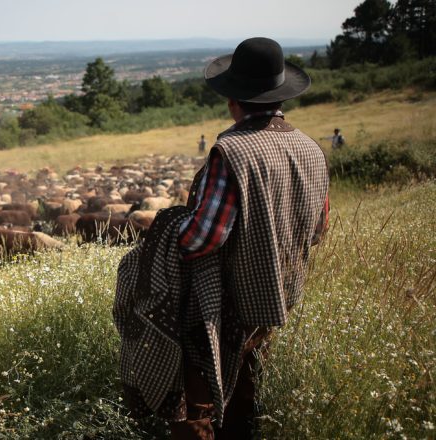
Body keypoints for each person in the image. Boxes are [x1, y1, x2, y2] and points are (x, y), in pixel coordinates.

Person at [114, 37, 330, 440]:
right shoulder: (311, 149)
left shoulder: (231, 151)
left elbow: (202, 237)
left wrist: (162, 230)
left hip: (223, 305)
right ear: (280, 96)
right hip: (279, 295)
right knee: (248, 386)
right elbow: (318, 229)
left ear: (233, 100)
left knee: (201, 402)